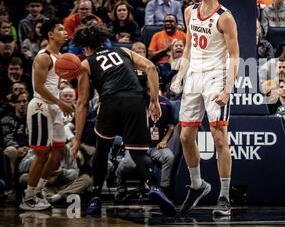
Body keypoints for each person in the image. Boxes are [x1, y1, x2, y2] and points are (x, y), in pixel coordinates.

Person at [70, 23, 175, 216]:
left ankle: (95, 198)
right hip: (135, 101)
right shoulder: (123, 51)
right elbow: (151, 67)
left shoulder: (86, 63)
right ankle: (154, 187)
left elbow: (82, 103)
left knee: (102, 152)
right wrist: (154, 101)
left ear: (85, 47)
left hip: (110, 102)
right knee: (139, 154)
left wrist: (77, 138)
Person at [170, 0, 239, 216]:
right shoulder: (189, 12)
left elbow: (234, 56)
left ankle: (224, 197)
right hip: (194, 77)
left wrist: (227, 90)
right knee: (186, 136)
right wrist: (179, 77)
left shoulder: (225, 17)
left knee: (219, 137)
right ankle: (198, 185)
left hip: (216, 77)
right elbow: (187, 48)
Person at [20, 19, 73, 211]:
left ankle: (40, 190)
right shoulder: (44, 57)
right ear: (50, 34)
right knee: (42, 153)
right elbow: (39, 87)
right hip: (41, 106)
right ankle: (28, 197)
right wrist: (60, 102)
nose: (65, 32)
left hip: (55, 107)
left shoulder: (61, 56)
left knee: (58, 151)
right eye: (60, 29)